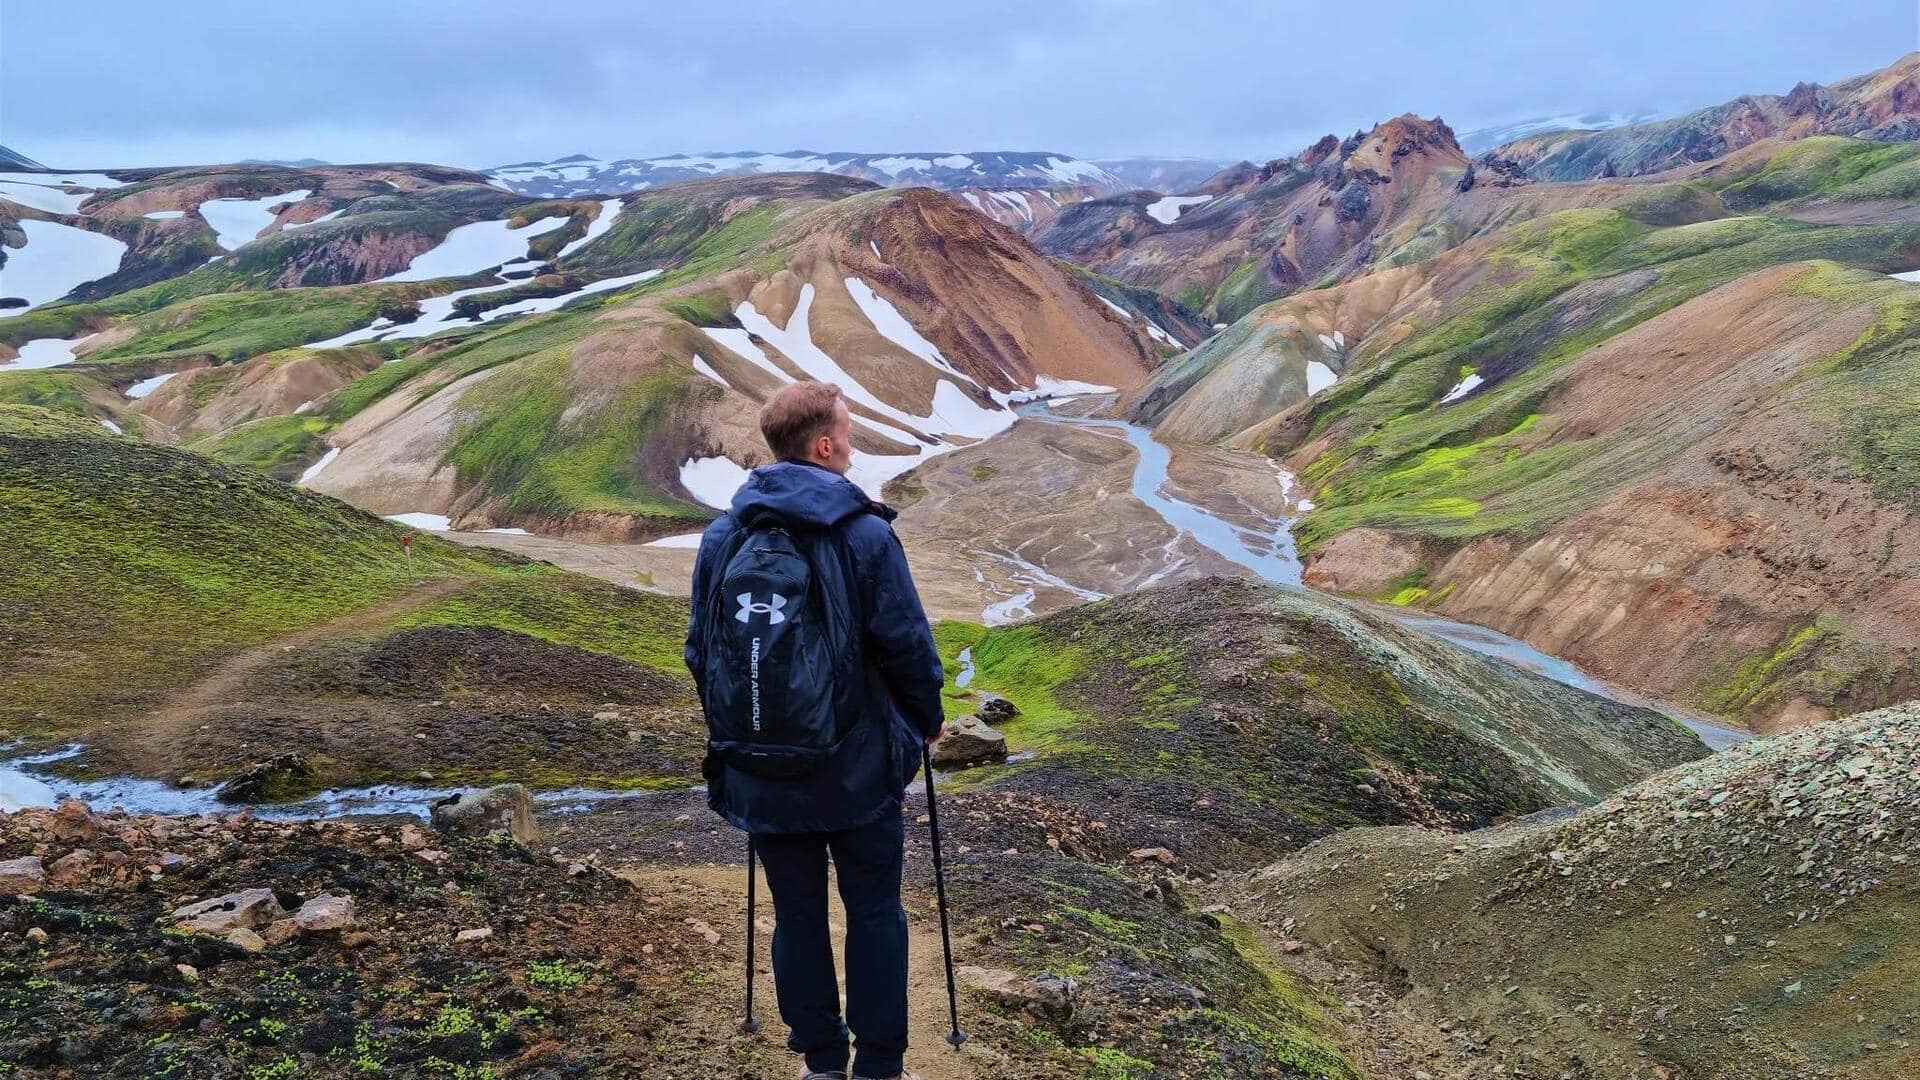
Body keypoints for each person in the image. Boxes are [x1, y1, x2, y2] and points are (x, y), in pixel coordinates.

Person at [685, 380, 945, 1080]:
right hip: (858, 770)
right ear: (825, 445)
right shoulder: (865, 535)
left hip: (761, 768)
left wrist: (746, 730)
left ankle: (822, 1062)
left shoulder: (723, 536)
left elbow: (700, 652)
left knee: (796, 914)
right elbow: (907, 645)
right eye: (849, 433)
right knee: (875, 912)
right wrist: (926, 721)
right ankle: (880, 1068)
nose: (853, 445)